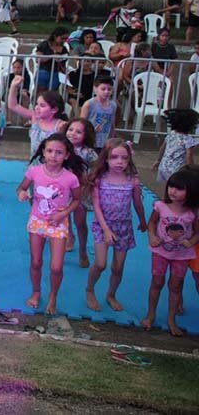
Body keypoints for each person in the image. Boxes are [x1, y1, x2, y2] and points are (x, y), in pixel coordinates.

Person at [17, 134, 85, 314]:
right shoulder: (34, 171)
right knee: (36, 261)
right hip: (37, 221)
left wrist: (64, 213)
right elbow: (21, 188)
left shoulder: (71, 178)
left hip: (58, 224)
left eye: (59, 152)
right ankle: (36, 292)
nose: (53, 156)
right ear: (43, 152)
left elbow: (77, 200)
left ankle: (53, 295)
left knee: (56, 266)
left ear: (67, 155)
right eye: (49, 151)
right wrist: (22, 194)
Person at [84, 139, 146, 313]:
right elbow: (96, 206)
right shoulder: (99, 179)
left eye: (124, 158)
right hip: (103, 225)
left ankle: (111, 294)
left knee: (118, 267)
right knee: (101, 263)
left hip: (124, 227)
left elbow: (137, 203)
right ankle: (89, 289)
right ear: (106, 159)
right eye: (114, 157)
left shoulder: (132, 180)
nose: (120, 162)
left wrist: (142, 220)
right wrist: (105, 229)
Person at [142, 167, 199, 336]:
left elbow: (197, 232)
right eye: (171, 186)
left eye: (179, 188)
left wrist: (191, 242)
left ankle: (171, 319)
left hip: (181, 255)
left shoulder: (193, 213)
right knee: (157, 282)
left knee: (175, 286)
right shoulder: (160, 206)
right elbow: (152, 223)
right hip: (160, 252)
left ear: (191, 191)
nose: (173, 191)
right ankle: (150, 315)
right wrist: (151, 236)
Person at [65, 118, 98, 268]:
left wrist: (88, 179)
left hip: (80, 192)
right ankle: (69, 236)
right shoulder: (62, 147)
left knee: (80, 222)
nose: (73, 134)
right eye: (71, 130)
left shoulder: (88, 152)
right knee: (64, 219)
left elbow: (97, 167)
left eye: (78, 132)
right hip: (63, 191)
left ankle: (83, 250)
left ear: (86, 135)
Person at [7, 77, 67, 157]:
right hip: (35, 164)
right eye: (37, 104)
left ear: (54, 110)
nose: (37, 108)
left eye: (42, 106)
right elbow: (13, 105)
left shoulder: (61, 125)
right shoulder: (35, 118)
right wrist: (13, 86)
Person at [153, 109, 199, 183]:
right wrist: (191, 170)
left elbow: (162, 148)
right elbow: (189, 156)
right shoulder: (188, 140)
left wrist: (158, 160)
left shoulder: (171, 134)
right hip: (176, 171)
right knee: (177, 187)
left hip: (164, 167)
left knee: (168, 187)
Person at [81, 76, 117, 149]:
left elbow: (112, 124)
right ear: (95, 89)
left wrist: (112, 139)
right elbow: (81, 124)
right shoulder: (89, 104)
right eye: (103, 89)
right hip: (91, 141)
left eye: (109, 89)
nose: (106, 92)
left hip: (105, 142)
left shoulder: (113, 105)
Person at [34, 27, 70, 91]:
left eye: (66, 39)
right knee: (40, 91)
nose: (64, 40)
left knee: (51, 93)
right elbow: (38, 59)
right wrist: (52, 56)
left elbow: (63, 65)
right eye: (62, 38)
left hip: (56, 73)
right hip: (43, 71)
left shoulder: (64, 49)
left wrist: (66, 74)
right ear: (55, 36)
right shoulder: (44, 44)